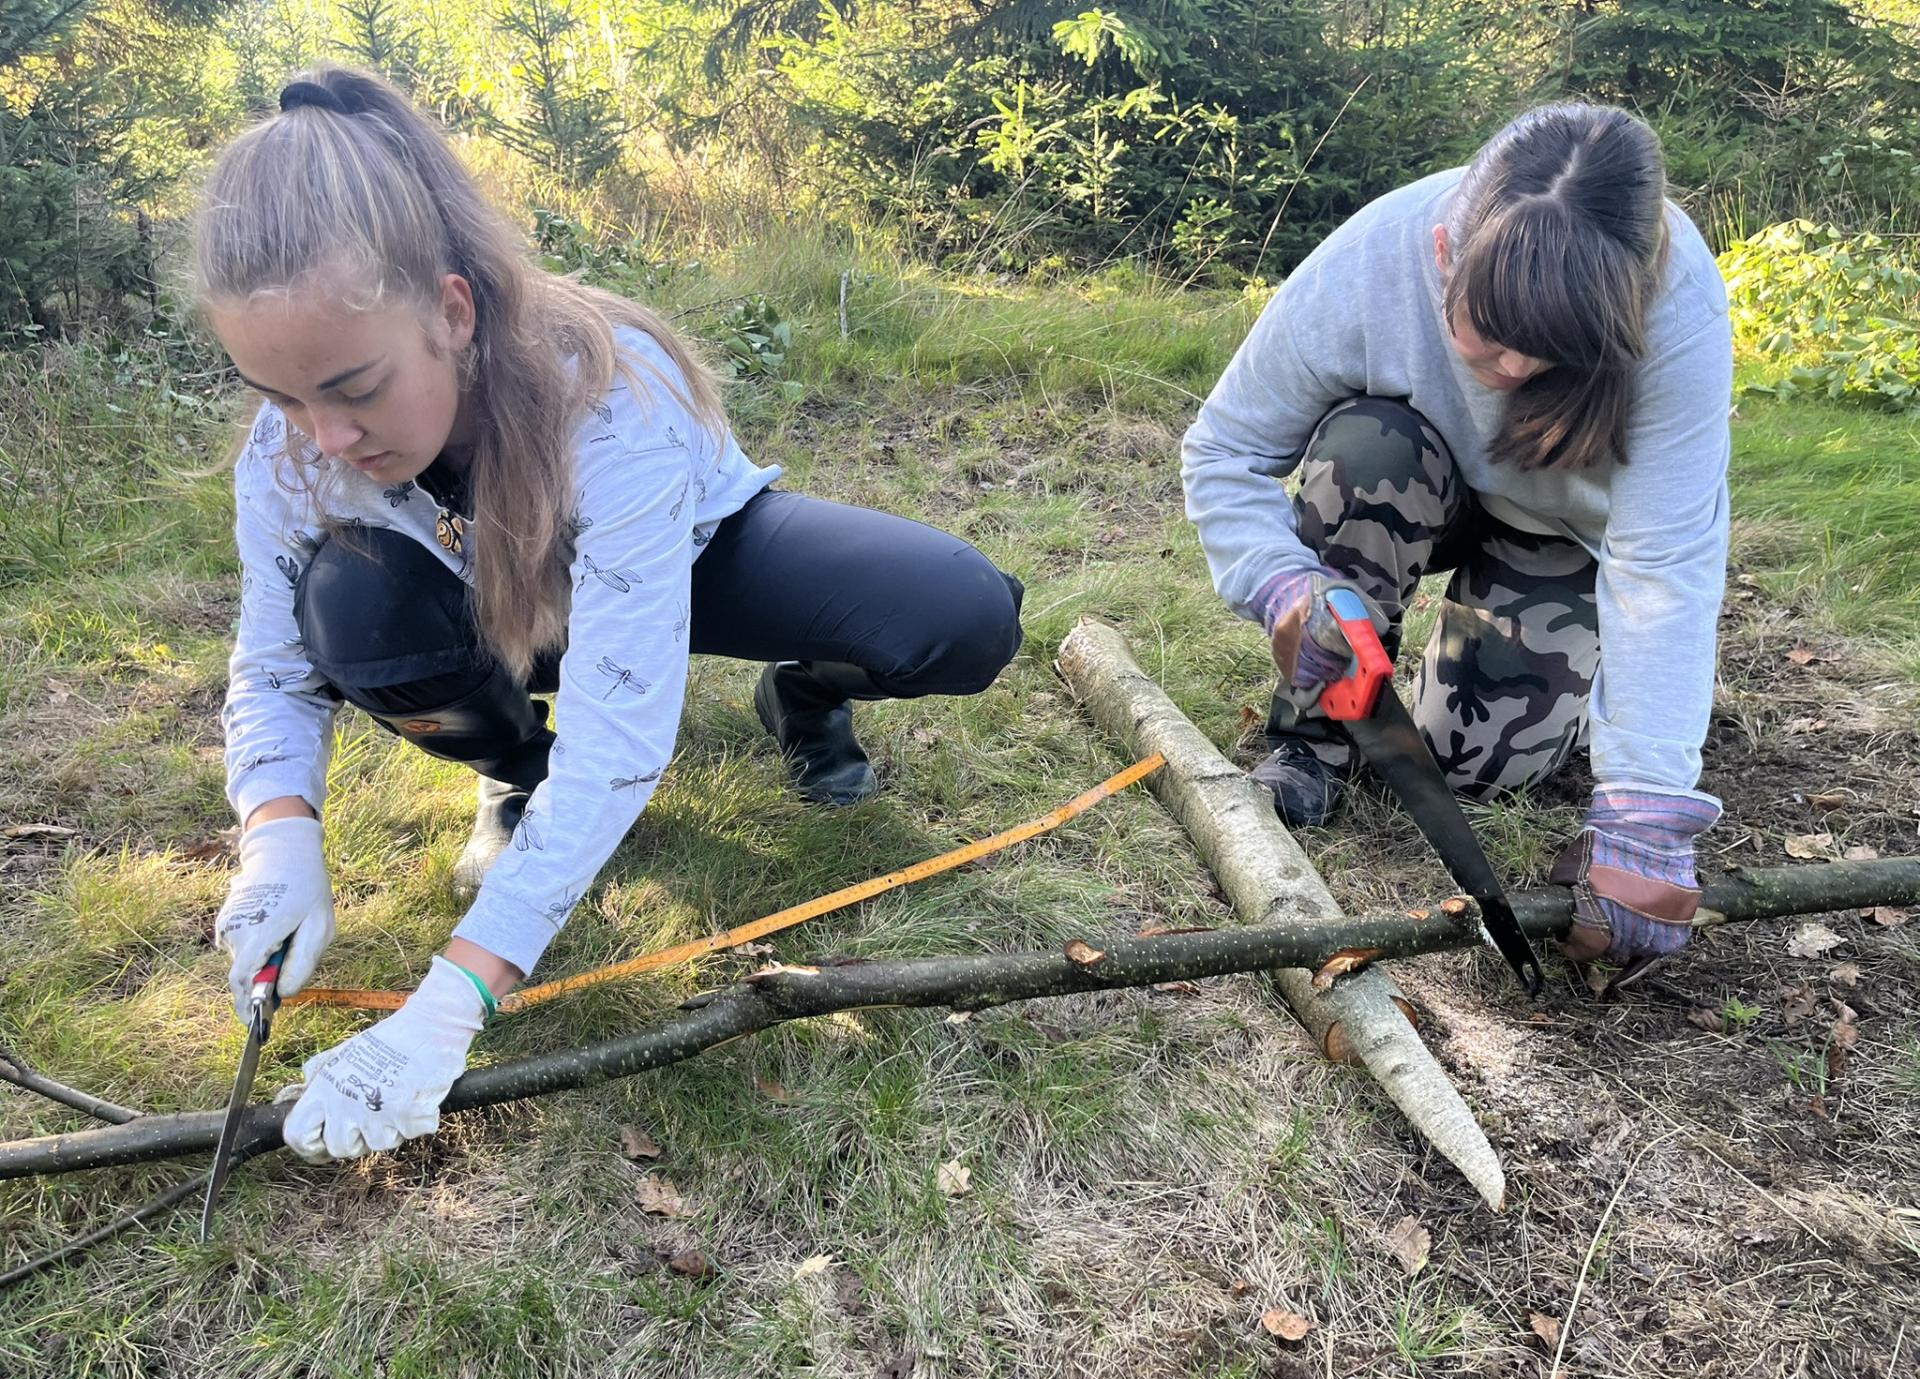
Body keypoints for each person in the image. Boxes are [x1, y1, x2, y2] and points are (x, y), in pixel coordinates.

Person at [198, 67, 1025, 1161]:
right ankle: (510, 763)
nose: (323, 436)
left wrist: (454, 1000)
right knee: (347, 604)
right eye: (279, 396)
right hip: (472, 606)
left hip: (686, 559)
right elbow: (272, 666)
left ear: (453, 311)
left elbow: (622, 737)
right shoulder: (294, 446)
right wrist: (278, 837)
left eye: (353, 387)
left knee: (960, 612)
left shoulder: (612, 396)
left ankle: (804, 690)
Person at [1181, 102, 1732, 986]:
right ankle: (1313, 741)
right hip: (1405, 480)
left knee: (1477, 768)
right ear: (1443, 255)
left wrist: (1646, 815)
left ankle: (1485, 684)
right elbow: (1225, 450)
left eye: (1547, 354)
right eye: (1492, 336)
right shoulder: (1378, 255)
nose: (1512, 372)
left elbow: (1662, 566)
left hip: (1557, 534)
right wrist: (1284, 585)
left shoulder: (1679, 316)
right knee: (1368, 446)